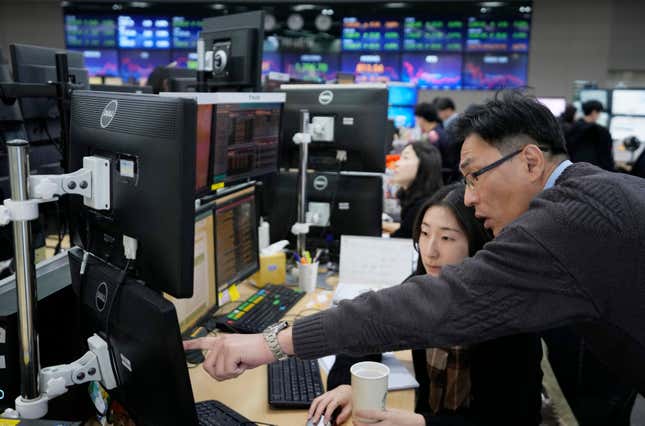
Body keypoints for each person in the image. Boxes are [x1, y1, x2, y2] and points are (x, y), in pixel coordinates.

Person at [184, 91, 645, 398]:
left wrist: (270, 345)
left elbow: (436, 306)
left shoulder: (567, 223)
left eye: (474, 175)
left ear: (529, 161)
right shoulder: (591, 195)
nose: (467, 196)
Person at [310, 184, 543, 426]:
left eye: (446, 238)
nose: (430, 251)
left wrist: (420, 423)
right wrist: (347, 386)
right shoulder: (422, 287)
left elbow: (511, 418)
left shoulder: (509, 316)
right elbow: (367, 328)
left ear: (476, 243)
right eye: (424, 233)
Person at [383, 142, 443, 238]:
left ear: (424, 164)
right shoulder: (415, 200)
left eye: (405, 158)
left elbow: (400, 238)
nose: (397, 163)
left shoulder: (423, 207)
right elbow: (406, 228)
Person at [414, 103, 459, 183]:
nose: (417, 122)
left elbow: (431, 163)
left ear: (422, 119)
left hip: (441, 179)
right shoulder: (440, 130)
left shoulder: (433, 136)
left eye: (416, 119)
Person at [564, 100, 614, 171]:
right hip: (596, 173)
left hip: (574, 171)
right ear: (594, 112)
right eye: (599, 113)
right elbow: (607, 158)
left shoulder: (570, 129)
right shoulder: (601, 132)